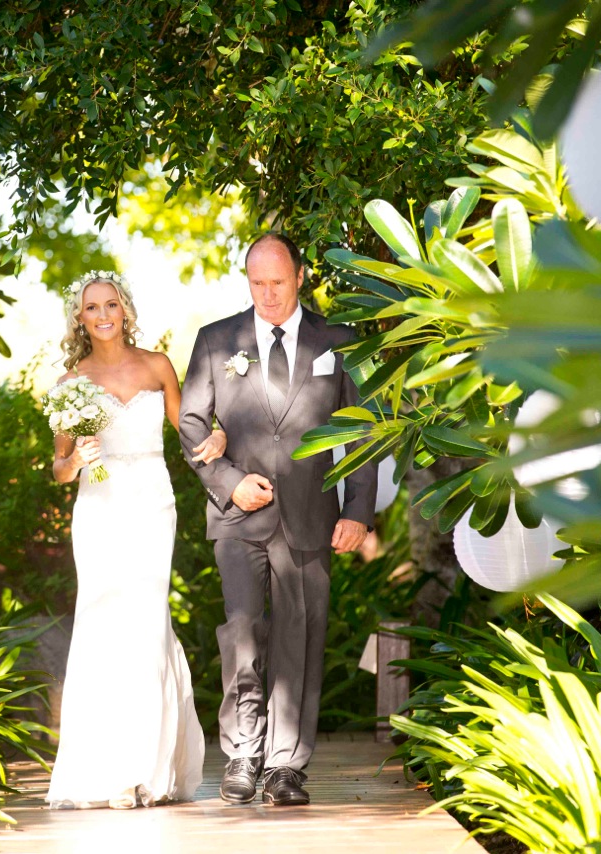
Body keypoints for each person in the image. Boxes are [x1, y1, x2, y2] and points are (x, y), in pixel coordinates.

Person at [177, 234, 379, 807]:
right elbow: (192, 423)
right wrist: (228, 482)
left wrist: (358, 510)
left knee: (301, 634)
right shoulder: (217, 341)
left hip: (312, 513)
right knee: (241, 631)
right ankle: (243, 753)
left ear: (300, 278)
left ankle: (286, 765)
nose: (267, 294)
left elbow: (365, 431)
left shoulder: (338, 341)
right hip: (238, 517)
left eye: (278, 282)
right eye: (256, 282)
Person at [44, 271, 226, 809]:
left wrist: (218, 436)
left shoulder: (157, 366)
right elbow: (58, 468)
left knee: (148, 621)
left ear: (124, 309)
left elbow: (190, 434)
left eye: (111, 304)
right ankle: (110, 771)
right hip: (99, 508)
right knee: (101, 623)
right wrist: (76, 460)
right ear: (80, 319)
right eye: (92, 307)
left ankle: (148, 769)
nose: (103, 314)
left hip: (151, 503)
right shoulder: (69, 382)